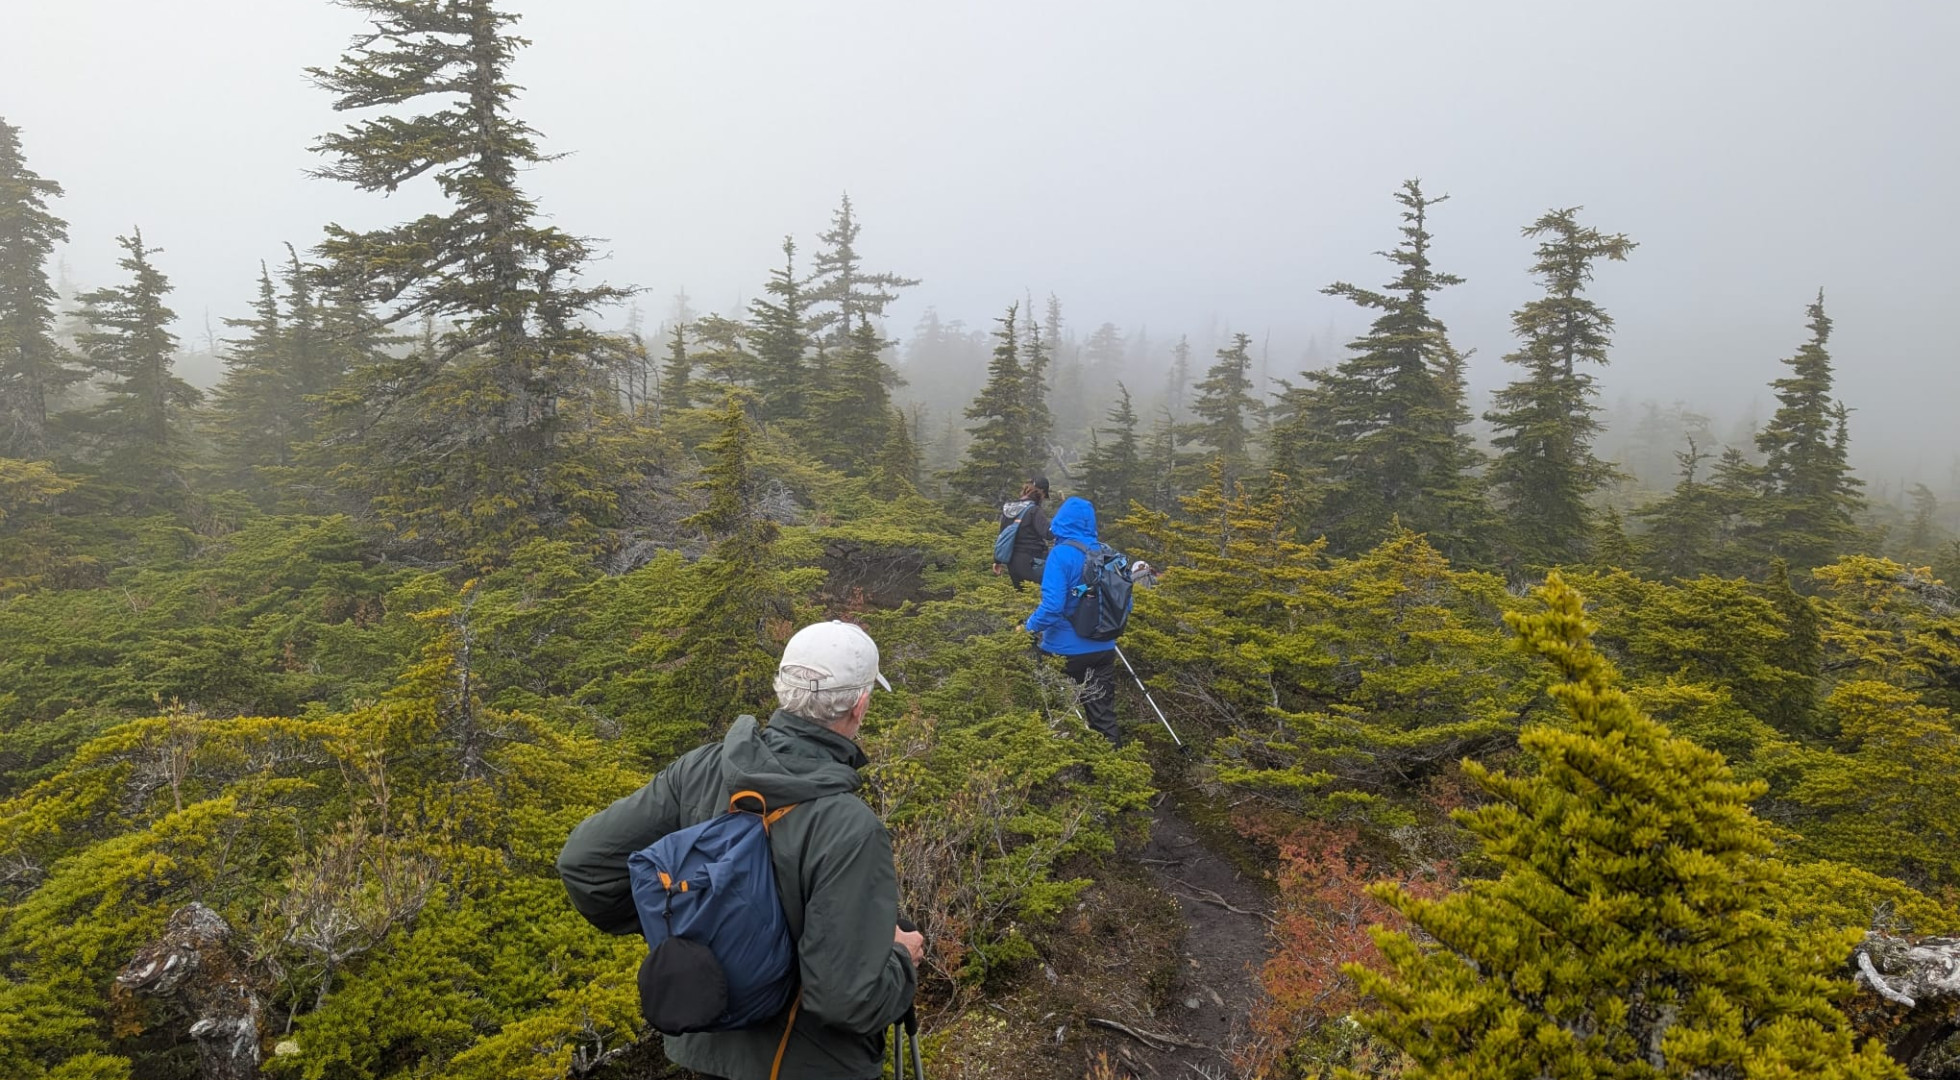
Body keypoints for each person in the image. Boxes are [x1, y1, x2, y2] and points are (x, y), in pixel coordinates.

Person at [557, 620, 923, 1080]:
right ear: (860, 705)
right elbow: (845, 1000)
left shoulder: (700, 769)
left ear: (782, 687)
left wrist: (686, 930)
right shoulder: (849, 827)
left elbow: (584, 865)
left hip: (702, 1049)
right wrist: (900, 959)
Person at [1024, 496, 1121, 746]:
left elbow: (1053, 607)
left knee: (1053, 710)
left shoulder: (1060, 555)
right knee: (1104, 718)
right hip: (1104, 648)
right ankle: (1110, 771)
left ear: (1061, 520)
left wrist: (1027, 627)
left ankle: (1061, 758)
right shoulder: (1109, 554)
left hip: (1062, 652)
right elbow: (1123, 603)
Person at [993, 476, 1051, 589]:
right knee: (1038, 596)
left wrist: (997, 561)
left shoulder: (1009, 508)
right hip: (1032, 562)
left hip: (1012, 563)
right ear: (1042, 492)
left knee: (1021, 596)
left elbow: (1002, 536)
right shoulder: (1034, 511)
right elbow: (1048, 534)